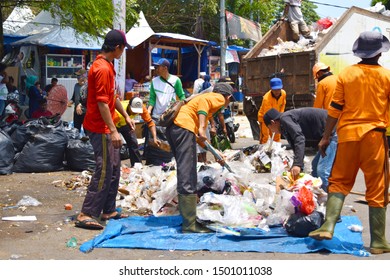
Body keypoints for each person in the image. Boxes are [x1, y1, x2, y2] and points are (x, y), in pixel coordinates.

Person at [308, 31, 390, 255]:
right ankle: (378, 242)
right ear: (380, 52)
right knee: (377, 189)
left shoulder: (346, 74)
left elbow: (335, 109)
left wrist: (325, 137)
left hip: (347, 136)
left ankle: (328, 225)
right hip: (374, 136)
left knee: (339, 181)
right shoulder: (387, 76)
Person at [75, 29, 133, 230]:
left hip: (107, 126)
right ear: (117, 48)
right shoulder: (101, 69)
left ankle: (108, 209)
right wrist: (113, 130)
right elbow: (101, 103)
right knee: (104, 168)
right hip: (99, 128)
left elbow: (112, 97)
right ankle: (87, 213)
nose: (123, 52)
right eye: (123, 48)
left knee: (115, 168)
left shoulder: (108, 66)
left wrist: (125, 116)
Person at [165, 82, 233, 233]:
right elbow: (204, 104)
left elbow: (200, 139)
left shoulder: (203, 107)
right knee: (187, 173)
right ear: (228, 97)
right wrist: (203, 127)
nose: (226, 104)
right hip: (182, 127)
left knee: (186, 171)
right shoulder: (217, 98)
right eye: (229, 100)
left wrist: (216, 153)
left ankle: (189, 220)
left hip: (176, 129)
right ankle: (189, 225)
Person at [263, 107, 337, 189]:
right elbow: (295, 144)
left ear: (273, 122)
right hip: (325, 135)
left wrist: (297, 164)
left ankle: (329, 198)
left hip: (332, 132)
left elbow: (299, 138)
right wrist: (297, 166)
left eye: (270, 128)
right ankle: (318, 196)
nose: (273, 132)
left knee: (322, 171)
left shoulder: (285, 118)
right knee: (315, 167)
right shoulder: (283, 126)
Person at [145, 58, 185, 166]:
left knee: (168, 141)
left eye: (158, 67)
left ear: (165, 68)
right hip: (156, 115)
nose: (156, 69)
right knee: (154, 141)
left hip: (168, 117)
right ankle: (154, 162)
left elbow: (182, 97)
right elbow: (152, 98)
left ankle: (168, 163)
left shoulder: (175, 80)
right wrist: (148, 111)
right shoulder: (154, 81)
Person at [115, 97, 161, 167]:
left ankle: (137, 166)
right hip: (115, 124)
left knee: (133, 143)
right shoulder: (118, 111)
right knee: (115, 147)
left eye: (137, 111)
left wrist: (155, 138)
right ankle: (115, 167)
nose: (135, 113)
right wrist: (115, 133)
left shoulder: (141, 107)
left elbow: (150, 123)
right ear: (129, 106)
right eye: (133, 111)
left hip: (127, 123)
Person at [257, 77, 287, 145]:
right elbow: (268, 114)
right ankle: (262, 152)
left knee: (277, 135)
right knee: (265, 137)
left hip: (276, 117)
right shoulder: (266, 98)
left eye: (278, 89)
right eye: (275, 90)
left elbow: (282, 105)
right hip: (264, 118)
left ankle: (277, 151)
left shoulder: (283, 93)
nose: (277, 92)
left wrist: (281, 117)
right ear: (271, 89)